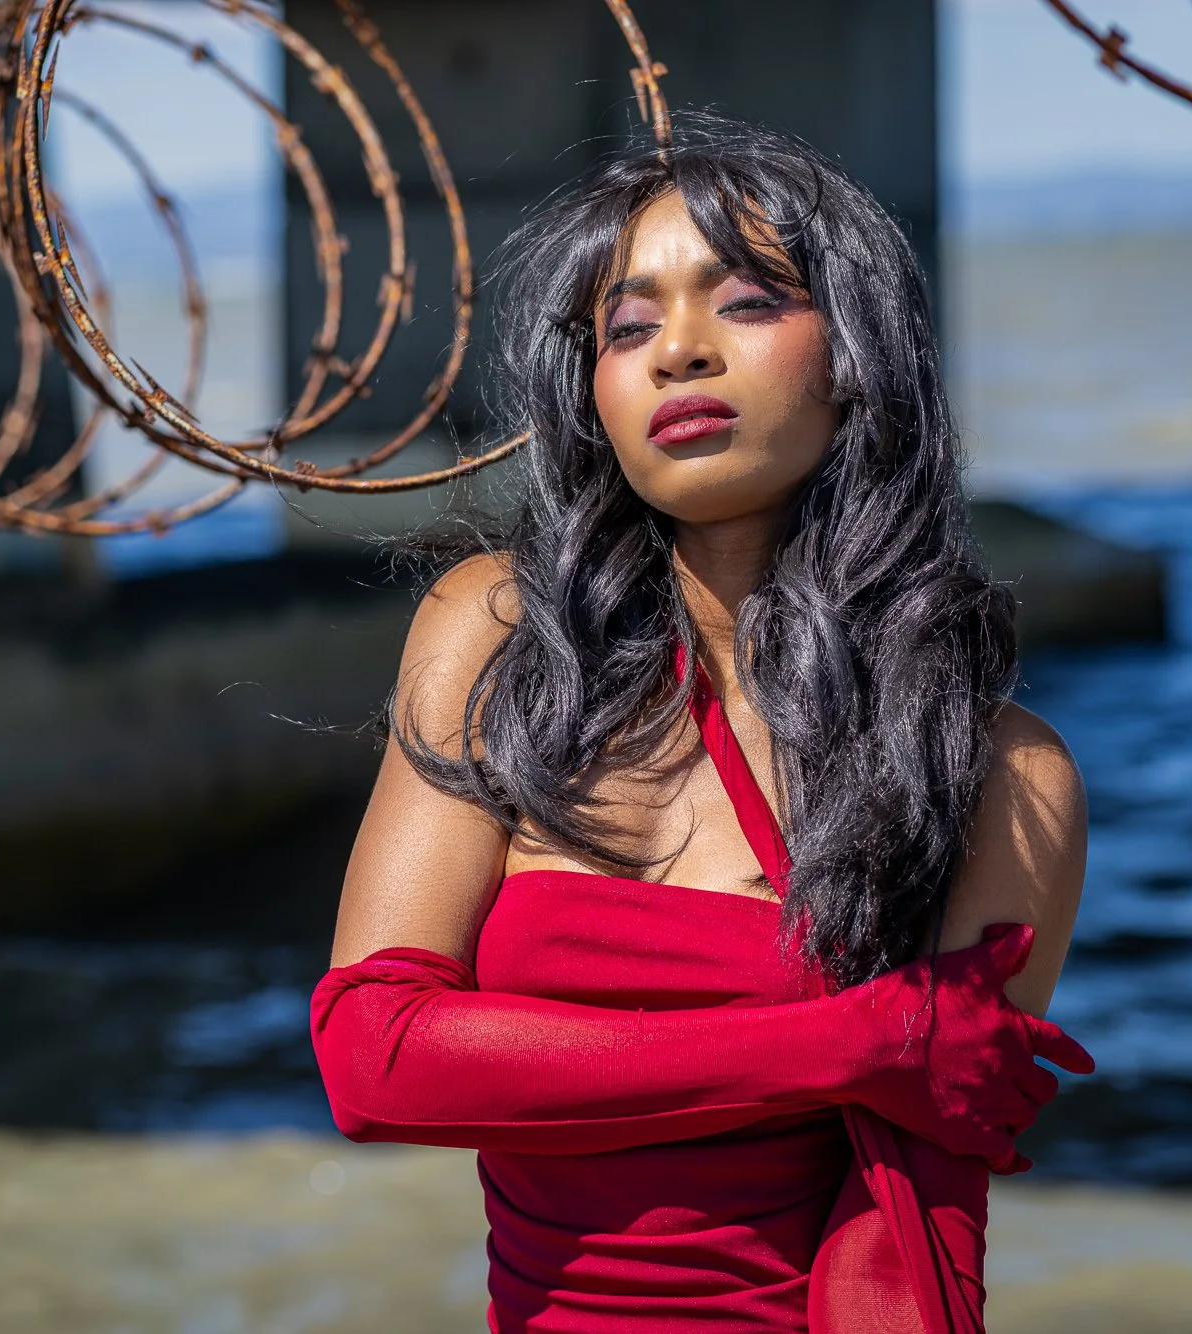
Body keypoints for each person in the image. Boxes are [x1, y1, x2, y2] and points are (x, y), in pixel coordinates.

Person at [310, 116, 1092, 1333]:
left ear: (853, 354)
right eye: (628, 326)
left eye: (743, 303)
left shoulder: (996, 770)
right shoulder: (500, 640)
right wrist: (842, 1041)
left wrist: (870, 1049)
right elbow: (372, 1057)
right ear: (595, 395)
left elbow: (905, 1236)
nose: (677, 351)